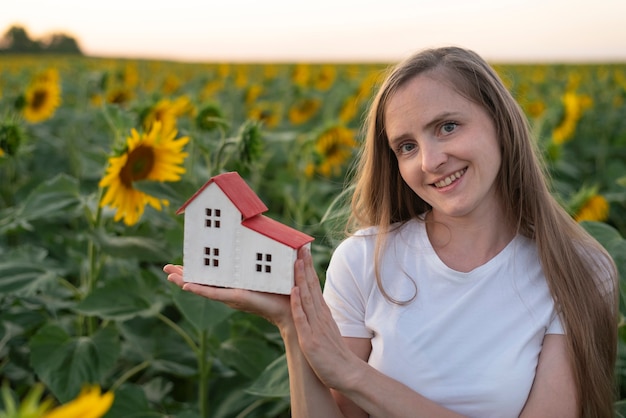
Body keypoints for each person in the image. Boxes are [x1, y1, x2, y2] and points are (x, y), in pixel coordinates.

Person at [164, 46, 618, 417]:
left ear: (501, 123)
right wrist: (291, 324)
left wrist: (355, 375)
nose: (430, 161)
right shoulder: (365, 261)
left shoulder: (577, 270)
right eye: (407, 146)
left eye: (448, 126)